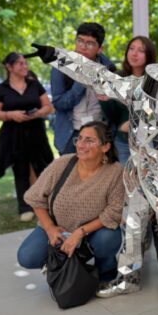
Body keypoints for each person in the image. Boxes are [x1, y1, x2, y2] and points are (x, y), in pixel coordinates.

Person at [17, 121, 125, 285]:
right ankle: (67, 261)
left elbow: (114, 211)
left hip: (92, 232)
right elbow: (34, 197)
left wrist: (80, 232)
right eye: (79, 138)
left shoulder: (115, 171)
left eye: (89, 140)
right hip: (59, 228)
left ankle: (105, 269)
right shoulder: (63, 163)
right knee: (27, 256)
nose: (81, 145)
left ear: (105, 147)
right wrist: (50, 228)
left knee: (108, 240)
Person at [0, 53, 54, 222]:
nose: (25, 67)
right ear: (9, 67)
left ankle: (48, 205)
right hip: (14, 135)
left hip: (36, 132)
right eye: (20, 64)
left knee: (43, 167)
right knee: (20, 170)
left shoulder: (34, 85)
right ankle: (25, 207)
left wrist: (37, 113)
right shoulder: (1, 89)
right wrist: (11, 115)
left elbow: (48, 106)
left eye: (25, 63)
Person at [50, 22, 115, 155]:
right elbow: (59, 104)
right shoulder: (61, 67)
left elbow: (114, 107)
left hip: (100, 132)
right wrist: (81, 83)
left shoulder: (108, 68)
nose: (83, 47)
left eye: (90, 43)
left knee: (99, 175)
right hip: (71, 134)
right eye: (80, 41)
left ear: (100, 48)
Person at [100, 36, 157, 164]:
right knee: (127, 180)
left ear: (149, 55)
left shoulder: (154, 81)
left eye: (141, 50)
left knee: (146, 181)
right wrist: (104, 100)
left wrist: (137, 119)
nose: (134, 53)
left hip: (149, 142)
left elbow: (157, 113)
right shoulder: (117, 78)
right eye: (131, 49)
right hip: (123, 140)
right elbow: (110, 115)